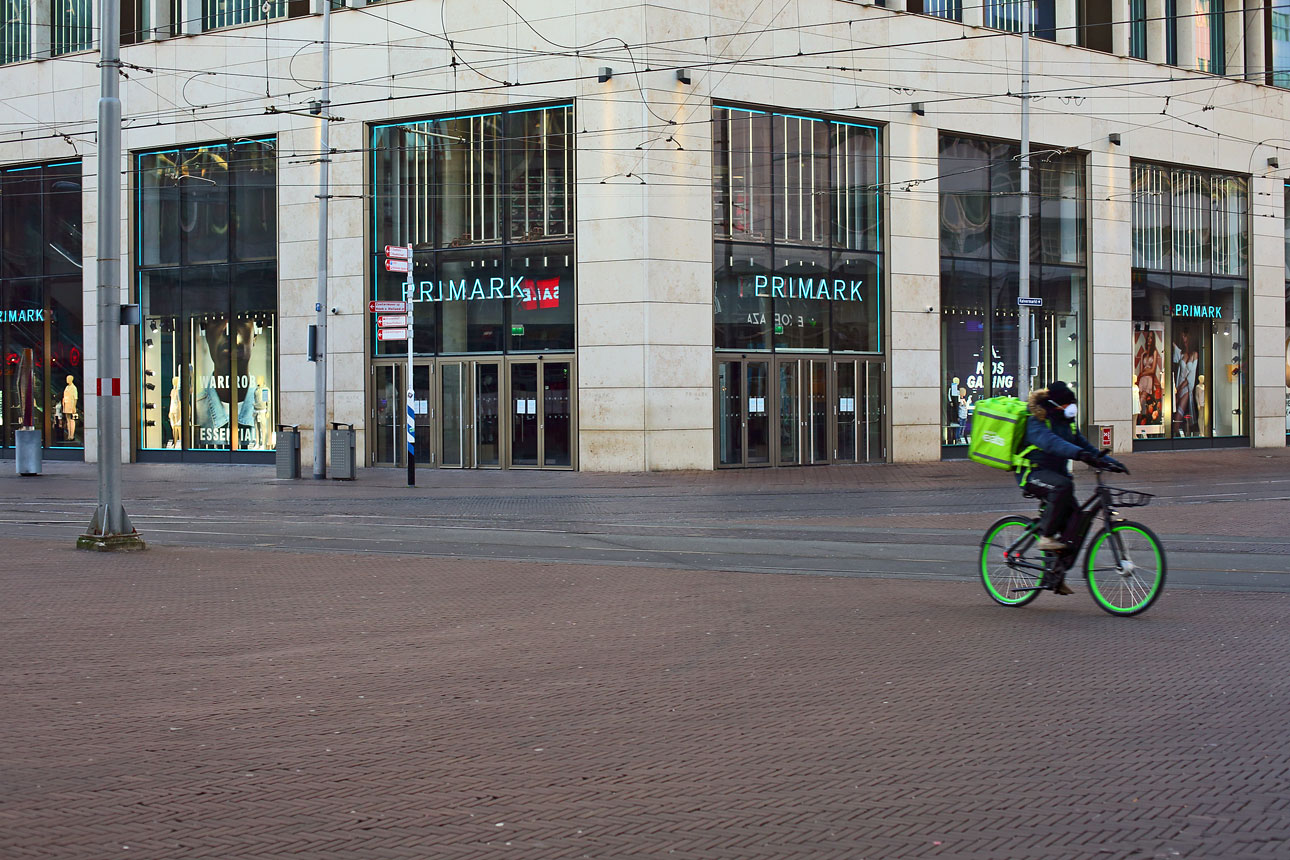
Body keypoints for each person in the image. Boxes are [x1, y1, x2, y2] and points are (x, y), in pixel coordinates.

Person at [1015, 381, 1123, 593]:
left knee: (1076, 523)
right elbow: (1051, 442)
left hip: (1057, 477)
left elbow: (1082, 443)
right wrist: (1079, 455)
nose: (1072, 408)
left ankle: (1054, 574)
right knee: (1062, 486)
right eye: (1068, 404)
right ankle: (1045, 536)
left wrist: (1107, 461)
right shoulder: (1037, 420)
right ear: (1056, 404)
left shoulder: (1068, 421)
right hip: (1033, 474)